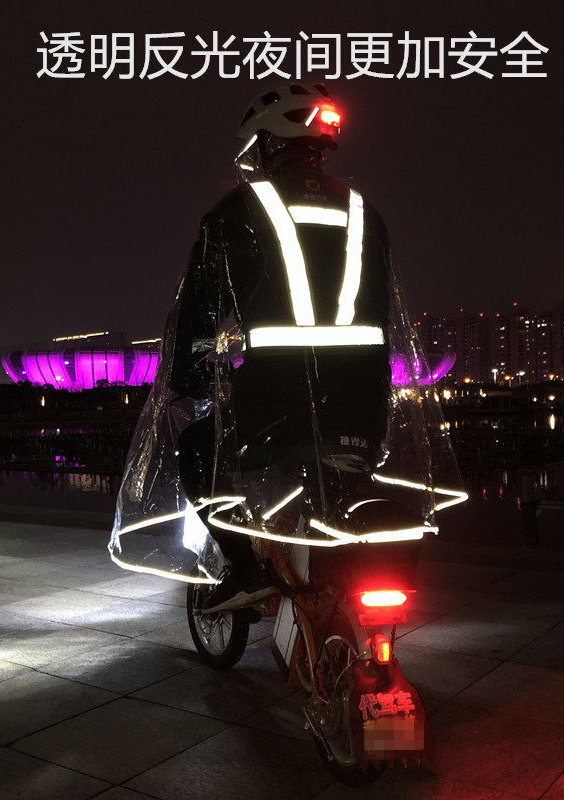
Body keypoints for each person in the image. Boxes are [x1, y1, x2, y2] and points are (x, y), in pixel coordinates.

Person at [152, 82, 398, 608]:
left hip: (276, 404)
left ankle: (245, 570)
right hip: (365, 405)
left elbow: (199, 311)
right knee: (339, 484)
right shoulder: (366, 212)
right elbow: (385, 310)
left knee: (197, 449)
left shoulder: (237, 211)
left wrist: (187, 374)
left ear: (265, 143)